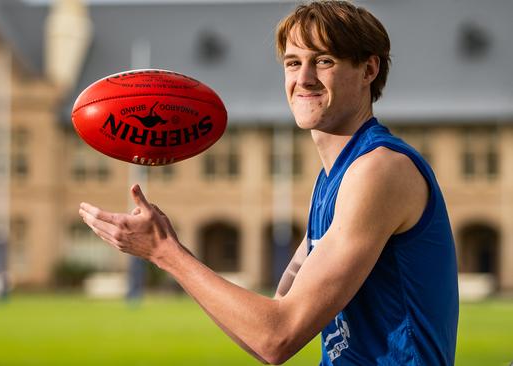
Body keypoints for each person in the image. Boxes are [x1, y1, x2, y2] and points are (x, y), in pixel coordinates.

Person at [78, 1, 459, 364]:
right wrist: (167, 250)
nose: (304, 79)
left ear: (368, 70)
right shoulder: (333, 179)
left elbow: (277, 337)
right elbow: (265, 326)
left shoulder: (379, 170)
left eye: (323, 61)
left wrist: (165, 252)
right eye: (293, 63)